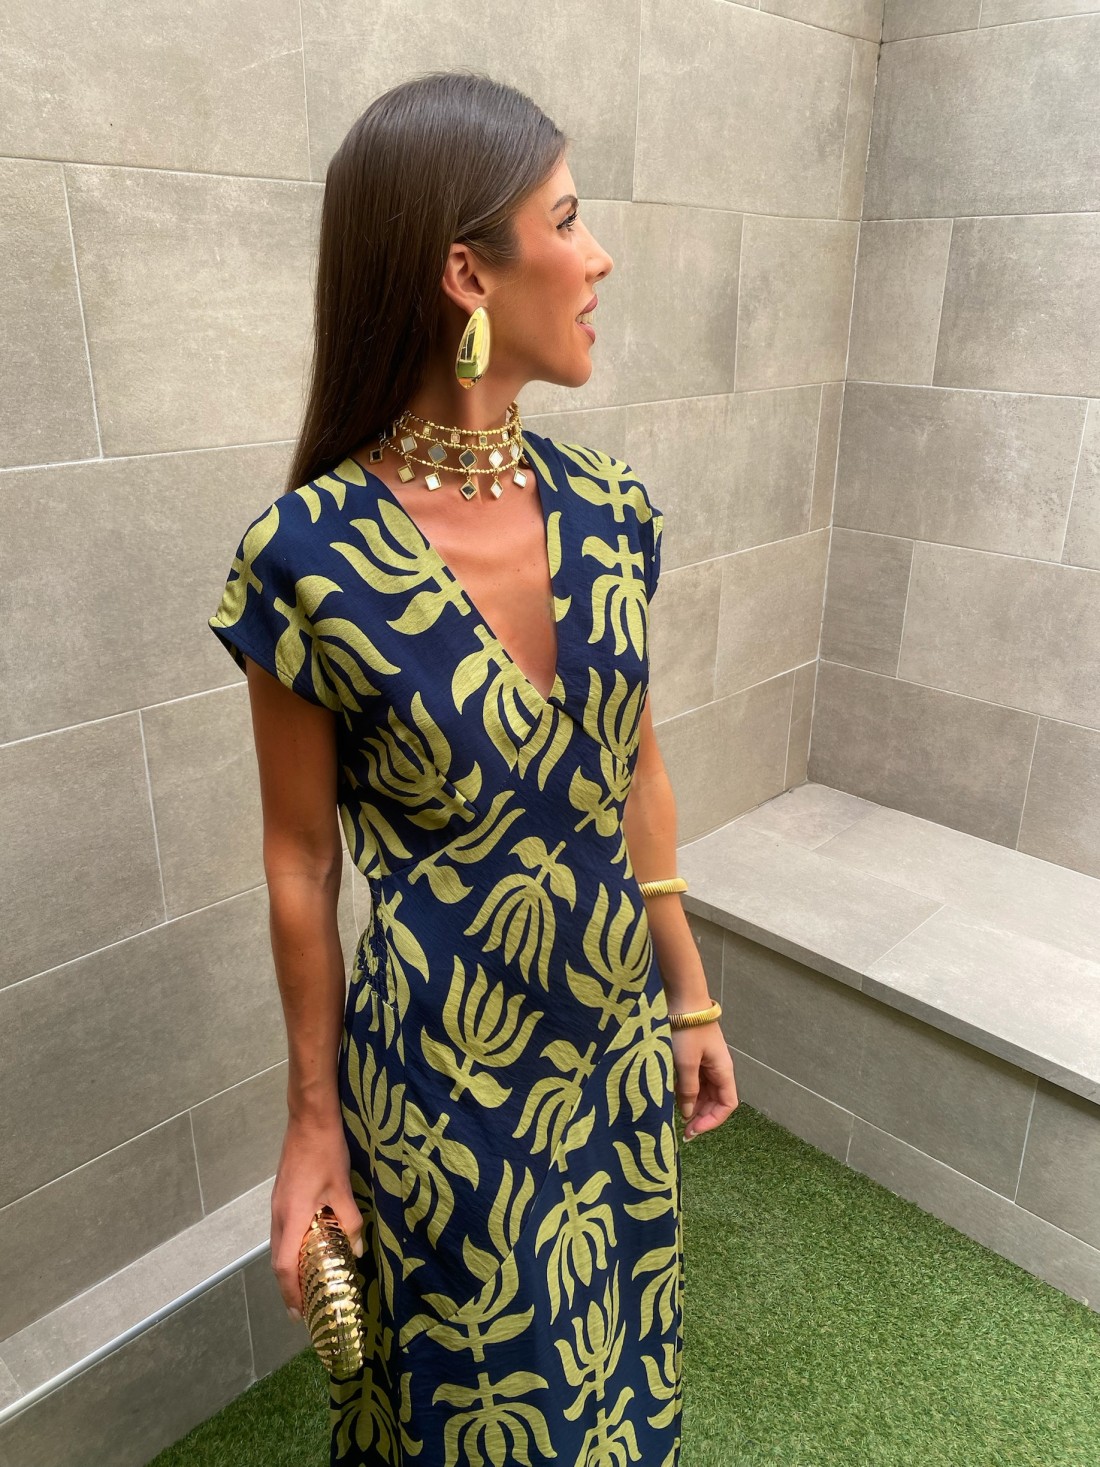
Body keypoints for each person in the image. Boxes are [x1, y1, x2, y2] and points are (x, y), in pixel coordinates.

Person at [208, 68, 738, 1467]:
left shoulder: (612, 511)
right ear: (468, 274)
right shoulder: (307, 558)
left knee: (617, 1382)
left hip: (611, 1053)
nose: (599, 254)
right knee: (478, 1417)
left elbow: (632, 770)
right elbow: (300, 863)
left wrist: (688, 996)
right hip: (443, 1092)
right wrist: (311, 1124)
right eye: (566, 219)